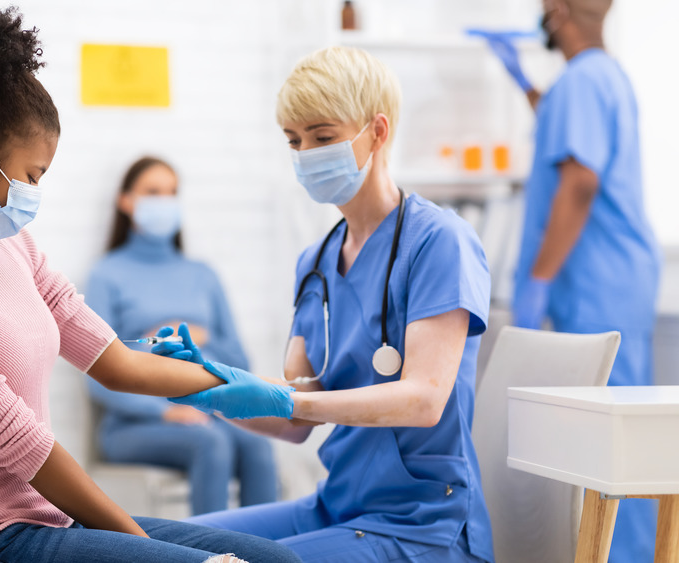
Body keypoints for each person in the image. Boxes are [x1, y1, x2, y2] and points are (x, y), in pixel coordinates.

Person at [0, 7, 301, 563]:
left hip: (49, 520)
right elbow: (22, 446)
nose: (33, 193)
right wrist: (146, 548)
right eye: (31, 175)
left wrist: (238, 383)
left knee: (279, 561)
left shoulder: (13, 247)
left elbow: (116, 362)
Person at [151, 46, 495, 562]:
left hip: (421, 525)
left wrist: (292, 401)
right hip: (336, 507)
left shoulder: (438, 242)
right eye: (294, 140)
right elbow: (294, 423)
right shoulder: (316, 263)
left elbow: (424, 400)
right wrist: (208, 388)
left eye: (323, 136)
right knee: (153, 544)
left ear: (377, 133)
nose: (306, 153)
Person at [477, 1, 661, 560]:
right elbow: (568, 136)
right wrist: (527, 89)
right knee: (613, 432)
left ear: (556, 10)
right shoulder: (601, 74)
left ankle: (626, 555)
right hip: (616, 276)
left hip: (595, 280)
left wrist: (537, 278)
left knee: (614, 443)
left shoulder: (582, 82)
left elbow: (578, 182)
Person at [85, 156, 278, 516]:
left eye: (172, 193)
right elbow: (97, 375)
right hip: (133, 425)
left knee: (259, 447)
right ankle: (212, 556)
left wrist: (202, 340)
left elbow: (240, 363)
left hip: (207, 415)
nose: (165, 202)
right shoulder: (106, 275)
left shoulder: (202, 275)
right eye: (153, 192)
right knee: (212, 444)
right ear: (125, 201)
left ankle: (258, 552)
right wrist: (156, 354)